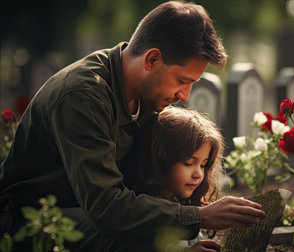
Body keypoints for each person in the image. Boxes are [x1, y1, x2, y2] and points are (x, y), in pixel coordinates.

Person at [0, 1, 264, 251]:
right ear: (151, 60)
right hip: (29, 219)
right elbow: (107, 208)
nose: (185, 95)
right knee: (139, 239)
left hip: (81, 214)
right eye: (182, 80)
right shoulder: (84, 94)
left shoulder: (146, 97)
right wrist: (199, 217)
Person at [132, 106, 224, 251]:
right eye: (188, 163)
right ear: (160, 160)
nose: (198, 174)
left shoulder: (182, 207)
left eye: (203, 165)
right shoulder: (142, 214)